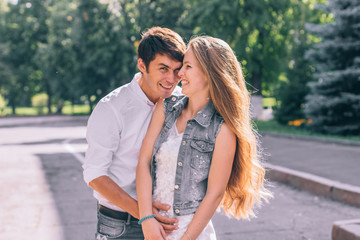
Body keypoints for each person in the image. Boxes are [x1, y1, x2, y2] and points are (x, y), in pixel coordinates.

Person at [136, 36, 272, 240]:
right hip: (153, 229)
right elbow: (143, 163)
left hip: (191, 232)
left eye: (188, 67)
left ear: (209, 73)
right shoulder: (164, 108)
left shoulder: (222, 129)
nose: (179, 74)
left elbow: (214, 195)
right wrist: (146, 219)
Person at [82, 27, 186, 239]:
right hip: (121, 225)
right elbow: (94, 175)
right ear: (142, 65)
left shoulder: (180, 101)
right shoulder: (111, 108)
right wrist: (146, 215)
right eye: (163, 69)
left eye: (177, 70)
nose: (171, 78)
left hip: (170, 221)